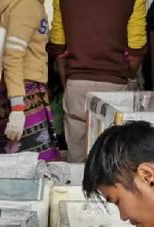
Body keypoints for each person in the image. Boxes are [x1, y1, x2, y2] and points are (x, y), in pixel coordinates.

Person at [49, 0, 147, 162]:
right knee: (112, 158)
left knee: (77, 158)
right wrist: (130, 76)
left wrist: (66, 80)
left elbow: (58, 45)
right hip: (115, 86)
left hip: (77, 83)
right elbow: (136, 48)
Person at [0, 0, 60, 161]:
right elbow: (12, 57)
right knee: (34, 163)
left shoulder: (27, 4)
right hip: (22, 94)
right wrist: (17, 109)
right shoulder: (27, 5)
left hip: (16, 90)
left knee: (15, 163)